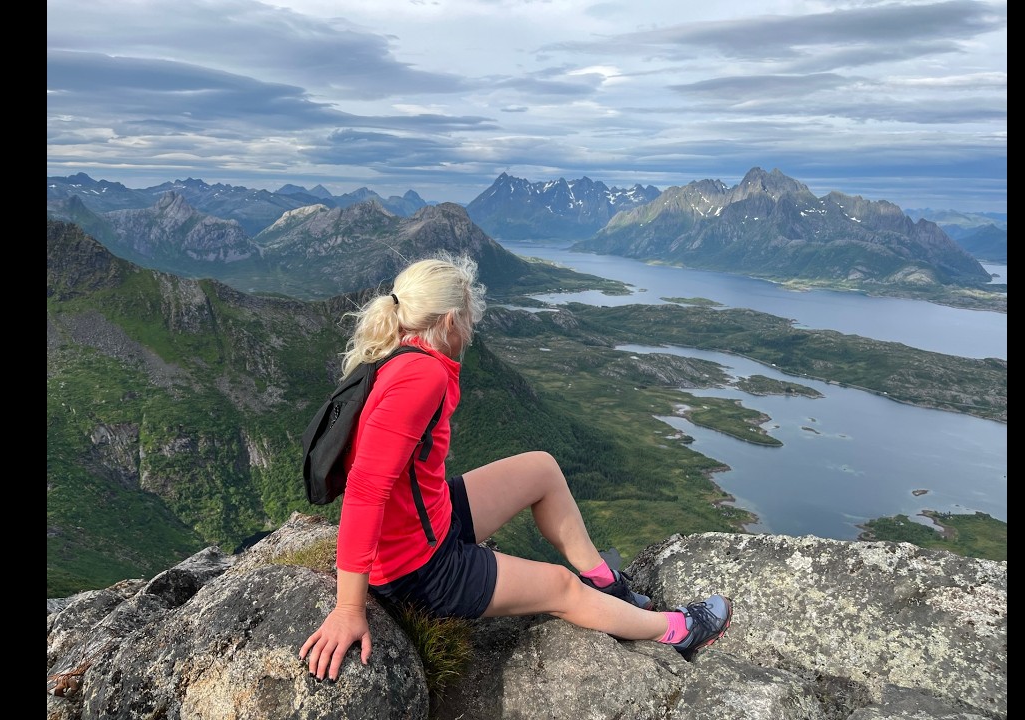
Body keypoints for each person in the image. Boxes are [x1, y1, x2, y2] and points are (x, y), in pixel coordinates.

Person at [299, 252, 732, 682]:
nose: (471, 328)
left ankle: (606, 583)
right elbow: (365, 491)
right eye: (468, 317)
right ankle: (679, 631)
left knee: (541, 469)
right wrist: (349, 608)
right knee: (561, 588)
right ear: (450, 321)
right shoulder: (422, 376)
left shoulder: (400, 354)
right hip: (418, 569)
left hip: (429, 521)